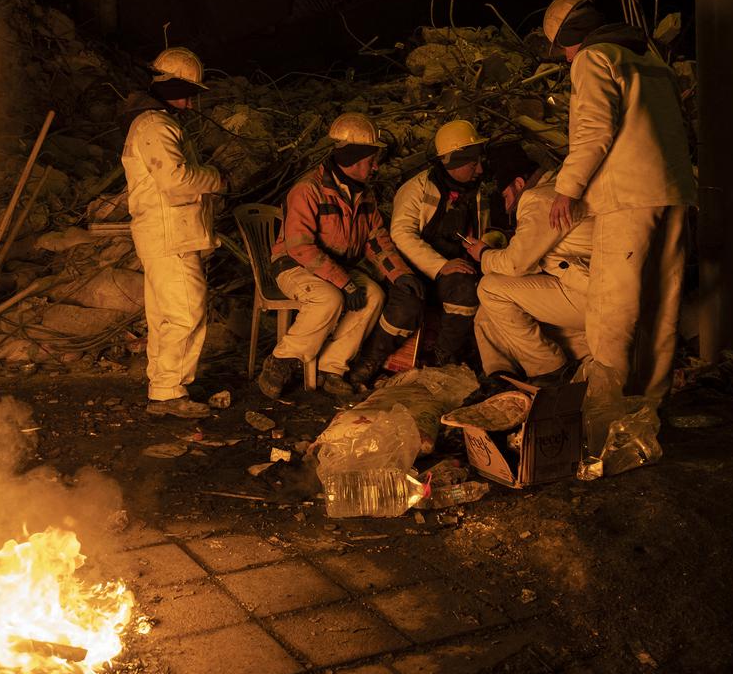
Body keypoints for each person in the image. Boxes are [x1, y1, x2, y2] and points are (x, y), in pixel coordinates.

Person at [540, 0, 696, 418]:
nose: (567, 58)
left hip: (628, 197)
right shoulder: (649, 60)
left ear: (572, 37)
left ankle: (604, 415)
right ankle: (650, 406)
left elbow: (594, 130)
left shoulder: (594, 58)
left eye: (564, 49)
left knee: (613, 310)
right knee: (662, 305)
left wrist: (566, 189)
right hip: (674, 193)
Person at [256, 112, 417, 399]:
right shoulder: (308, 190)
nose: (376, 166)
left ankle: (331, 368)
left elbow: (377, 241)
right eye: (371, 160)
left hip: (335, 267)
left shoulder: (363, 195)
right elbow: (300, 247)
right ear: (352, 159)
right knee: (328, 298)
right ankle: (281, 361)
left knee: (376, 296)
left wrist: (400, 274)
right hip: (294, 264)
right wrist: (345, 282)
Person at [120, 47, 226, 419]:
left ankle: (163, 386)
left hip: (164, 234)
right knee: (185, 312)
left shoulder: (154, 123)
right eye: (189, 93)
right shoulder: (156, 125)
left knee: (165, 315)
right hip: (170, 236)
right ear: (172, 87)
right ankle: (169, 391)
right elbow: (175, 181)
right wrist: (216, 178)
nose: (192, 103)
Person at [470, 143, 596, 381]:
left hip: (589, 293)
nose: (507, 204)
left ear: (519, 183)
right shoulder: (558, 188)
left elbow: (516, 264)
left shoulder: (539, 198)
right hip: (589, 287)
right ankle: (500, 375)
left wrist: (484, 254)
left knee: (490, 288)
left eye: (506, 195)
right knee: (490, 306)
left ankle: (548, 369)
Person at [381, 119, 492, 375]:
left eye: (479, 161)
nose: (479, 169)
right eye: (472, 163)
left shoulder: (475, 192)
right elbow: (401, 234)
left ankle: (442, 360)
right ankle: (372, 363)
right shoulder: (416, 189)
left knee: (468, 290)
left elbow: (480, 232)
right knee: (407, 306)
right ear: (453, 161)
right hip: (416, 270)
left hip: (455, 269)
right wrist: (441, 266)